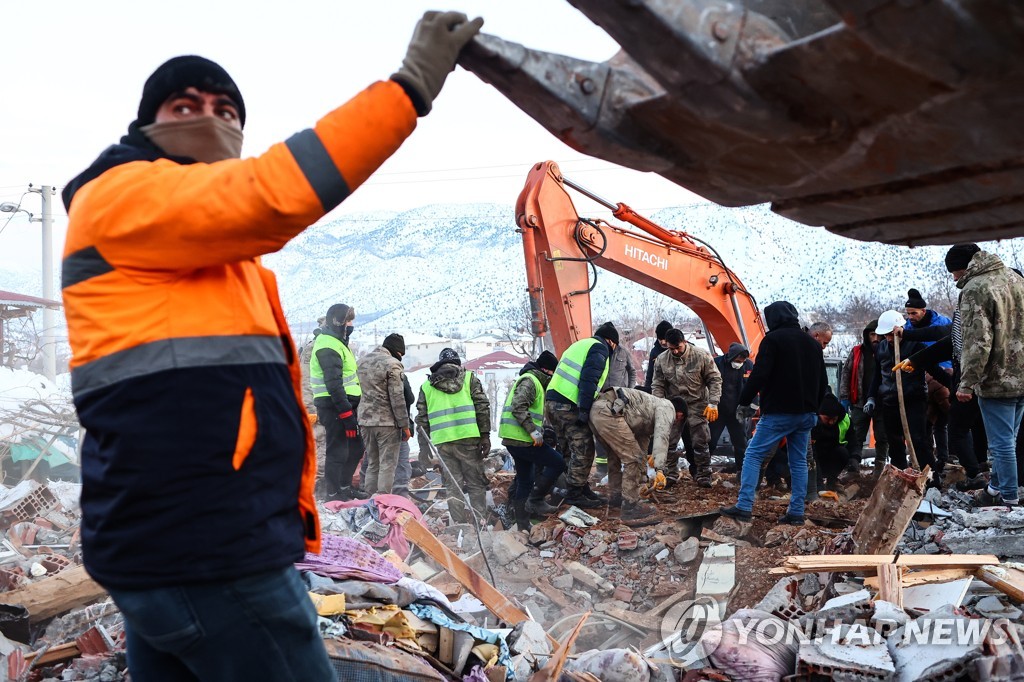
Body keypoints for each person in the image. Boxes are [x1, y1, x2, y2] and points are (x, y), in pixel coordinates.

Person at [59, 14, 482, 680]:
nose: (209, 118)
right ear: (147, 126)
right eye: (185, 106)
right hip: (210, 551)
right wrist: (410, 88)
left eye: (225, 109)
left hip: (164, 546)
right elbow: (271, 193)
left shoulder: (210, 256)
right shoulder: (122, 197)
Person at [721, 301, 827, 525]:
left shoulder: (773, 340)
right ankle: (796, 513)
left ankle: (744, 506)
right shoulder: (813, 344)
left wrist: (744, 401)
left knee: (753, 455)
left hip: (780, 412)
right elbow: (823, 382)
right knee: (798, 461)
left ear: (773, 319)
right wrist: (814, 409)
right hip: (807, 413)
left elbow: (759, 374)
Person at [947, 244, 1024, 506]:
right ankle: (994, 489)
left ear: (962, 267)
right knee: (1009, 439)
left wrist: (966, 383)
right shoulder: (1015, 278)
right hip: (1022, 375)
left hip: (997, 378)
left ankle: (1009, 498)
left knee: (1001, 444)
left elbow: (977, 342)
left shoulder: (975, 288)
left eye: (954, 273)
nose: (954, 279)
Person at [545, 322, 619, 508]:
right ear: (611, 341)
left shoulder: (580, 345)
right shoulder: (600, 348)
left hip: (552, 402)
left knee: (569, 449)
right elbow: (589, 379)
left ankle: (580, 488)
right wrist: (585, 410)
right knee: (584, 449)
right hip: (568, 404)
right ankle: (574, 493)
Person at [416, 348, 491, 522]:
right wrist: (485, 435)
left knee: (453, 486)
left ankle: (459, 525)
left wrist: (423, 447)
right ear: (458, 362)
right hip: (469, 440)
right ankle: (480, 523)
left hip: (443, 442)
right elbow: (482, 406)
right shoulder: (469, 379)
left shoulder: (427, 386)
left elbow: (421, 419)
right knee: (475, 483)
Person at [590, 387, 687, 520]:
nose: (674, 423)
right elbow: (662, 436)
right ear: (680, 414)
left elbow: (642, 451)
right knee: (632, 458)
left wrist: (642, 483)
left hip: (598, 410)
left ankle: (617, 496)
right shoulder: (667, 407)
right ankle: (630, 506)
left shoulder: (646, 414)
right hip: (610, 410)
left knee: (616, 455)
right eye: (677, 421)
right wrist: (659, 469)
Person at [498, 351, 565, 530]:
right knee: (558, 463)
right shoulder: (531, 381)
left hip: (516, 440)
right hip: (523, 439)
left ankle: (522, 524)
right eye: (553, 374)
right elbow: (518, 407)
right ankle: (536, 500)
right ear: (547, 371)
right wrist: (534, 432)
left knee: (525, 479)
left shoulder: (532, 380)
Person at [867, 310, 939, 473]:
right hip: (889, 400)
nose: (889, 339)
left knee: (918, 439)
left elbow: (933, 368)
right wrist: (871, 397)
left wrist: (949, 384)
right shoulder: (881, 349)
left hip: (914, 399)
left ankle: (930, 476)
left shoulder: (915, 346)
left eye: (891, 335)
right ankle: (901, 474)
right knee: (894, 441)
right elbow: (877, 376)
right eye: (886, 335)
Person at [652, 328, 722, 487]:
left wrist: (713, 402)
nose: (676, 351)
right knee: (669, 441)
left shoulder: (701, 355)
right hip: (674, 406)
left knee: (700, 442)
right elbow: (658, 383)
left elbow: (714, 379)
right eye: (672, 348)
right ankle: (670, 474)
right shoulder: (662, 360)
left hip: (697, 404)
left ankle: (703, 475)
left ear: (684, 342)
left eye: (679, 347)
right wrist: (659, 404)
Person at [311, 303, 367, 501]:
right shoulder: (327, 344)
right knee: (338, 450)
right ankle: (333, 493)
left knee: (355, 448)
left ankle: (344, 486)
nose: (351, 325)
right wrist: (346, 414)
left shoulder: (337, 342)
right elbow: (333, 384)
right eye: (348, 321)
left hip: (345, 406)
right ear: (338, 322)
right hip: (334, 406)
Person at [357, 334, 411, 496]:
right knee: (387, 464)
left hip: (365, 422)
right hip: (386, 423)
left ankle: (370, 502)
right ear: (397, 351)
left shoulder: (361, 362)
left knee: (373, 464)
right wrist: (405, 425)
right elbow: (397, 398)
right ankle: (382, 502)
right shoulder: (392, 365)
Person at [839, 321, 889, 476]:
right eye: (871, 334)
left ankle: (879, 469)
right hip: (859, 401)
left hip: (883, 403)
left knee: (882, 437)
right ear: (866, 335)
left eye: (877, 334)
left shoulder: (889, 351)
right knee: (856, 436)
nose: (875, 338)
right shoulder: (857, 352)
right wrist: (844, 397)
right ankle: (853, 467)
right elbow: (846, 374)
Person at [595, 338, 637, 476]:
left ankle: (623, 465)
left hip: (620, 398)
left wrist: (630, 391)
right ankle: (602, 468)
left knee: (621, 430)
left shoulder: (624, 352)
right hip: (602, 397)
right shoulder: (599, 352)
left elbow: (632, 372)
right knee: (601, 431)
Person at [709, 343, 753, 473]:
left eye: (742, 361)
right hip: (719, 411)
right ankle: (703, 471)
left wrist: (750, 408)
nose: (739, 363)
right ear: (731, 357)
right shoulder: (717, 363)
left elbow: (752, 387)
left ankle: (742, 472)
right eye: (737, 361)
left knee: (740, 444)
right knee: (710, 442)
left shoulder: (748, 366)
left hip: (737, 412)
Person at [812, 394, 851, 491]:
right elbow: (812, 456)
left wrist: (855, 458)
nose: (830, 422)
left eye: (834, 419)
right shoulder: (812, 422)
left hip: (831, 456)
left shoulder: (845, 420)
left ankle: (832, 482)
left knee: (842, 453)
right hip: (814, 457)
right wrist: (819, 485)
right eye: (827, 419)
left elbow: (854, 442)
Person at [643, 320, 673, 392]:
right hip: (660, 392)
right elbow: (650, 374)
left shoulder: (679, 349)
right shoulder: (654, 352)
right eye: (660, 339)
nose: (663, 342)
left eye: (665, 339)